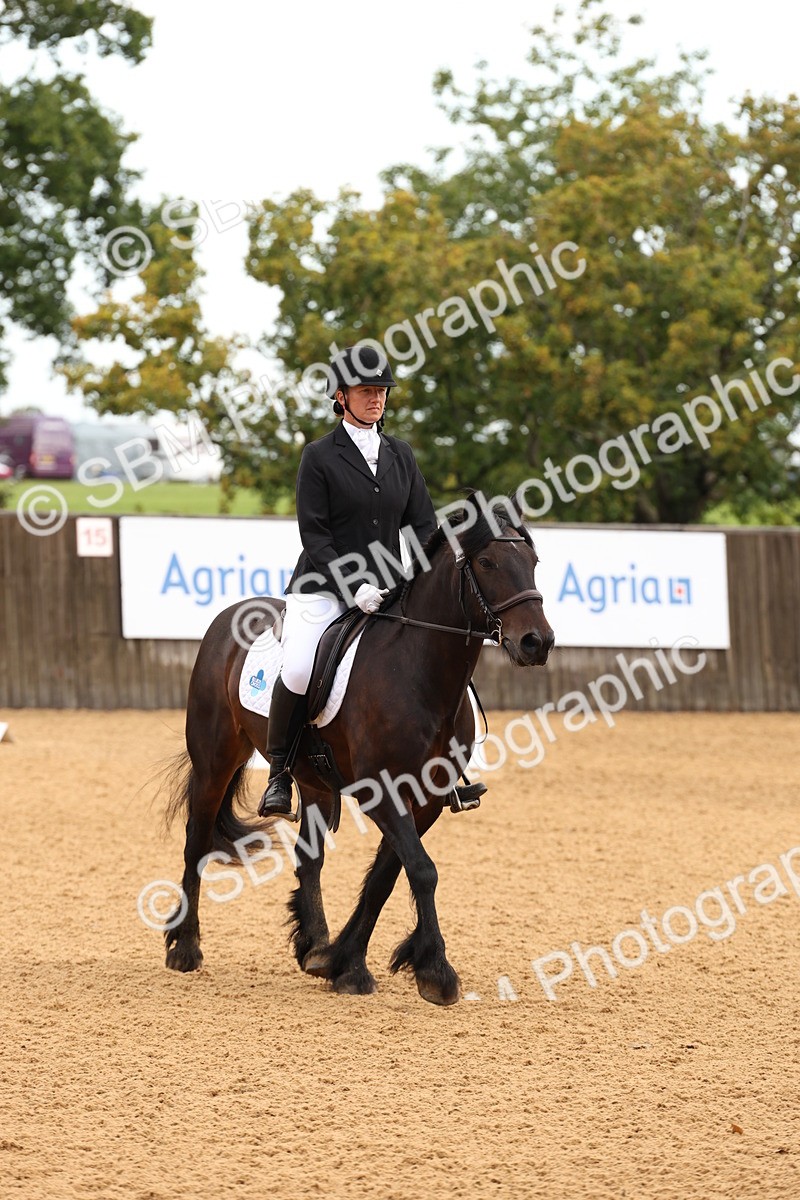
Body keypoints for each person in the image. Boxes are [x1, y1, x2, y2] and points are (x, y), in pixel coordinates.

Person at [258, 343, 438, 817]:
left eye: (381, 390)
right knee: (298, 668)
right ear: (340, 396)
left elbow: (423, 525)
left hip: (387, 589)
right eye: (365, 391)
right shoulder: (319, 456)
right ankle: (279, 774)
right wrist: (353, 585)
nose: (376, 398)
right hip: (324, 587)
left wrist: (417, 578)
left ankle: (445, 769)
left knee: (431, 655)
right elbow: (315, 534)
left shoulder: (401, 455)